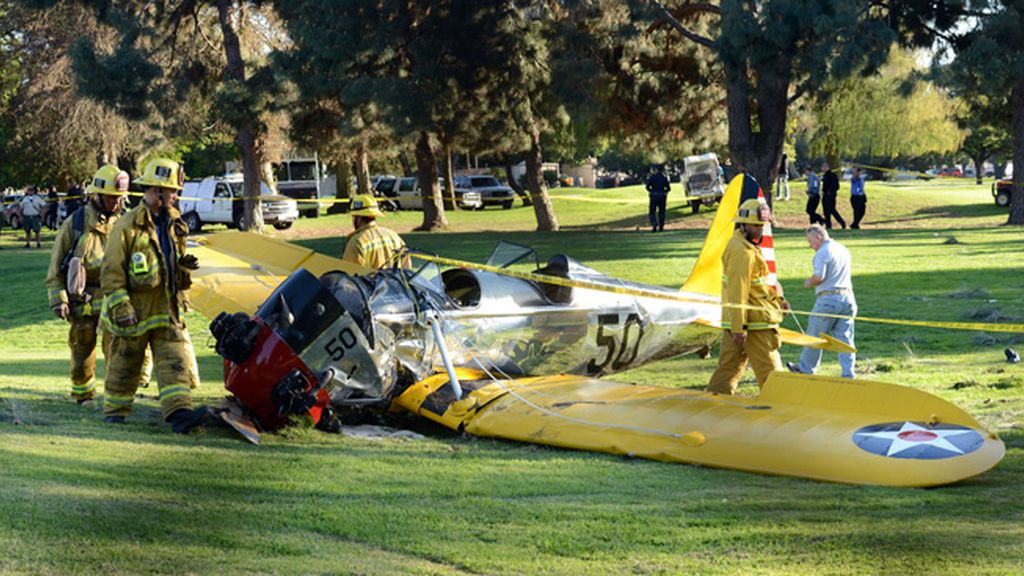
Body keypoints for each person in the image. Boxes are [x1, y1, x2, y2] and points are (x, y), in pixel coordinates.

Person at [100, 157, 207, 433]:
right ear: (156, 191)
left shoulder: (175, 223)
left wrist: (183, 269)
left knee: (174, 362)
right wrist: (122, 308)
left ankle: (180, 414)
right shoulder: (127, 227)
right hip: (135, 311)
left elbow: (172, 265)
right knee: (126, 363)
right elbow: (111, 273)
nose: (175, 196)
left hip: (166, 308)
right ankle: (115, 412)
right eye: (171, 191)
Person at [46, 165, 131, 404]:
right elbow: (55, 267)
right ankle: (83, 396)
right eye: (111, 197)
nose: (116, 202)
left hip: (114, 298)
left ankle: (115, 398)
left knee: (116, 348)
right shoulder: (76, 223)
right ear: (97, 195)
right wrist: (59, 300)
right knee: (82, 346)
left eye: (119, 198)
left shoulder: (126, 222)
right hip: (82, 299)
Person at [707, 198, 788, 395]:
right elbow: (738, 290)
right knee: (771, 374)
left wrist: (778, 301)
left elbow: (757, 286)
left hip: (741, 322)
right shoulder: (742, 252)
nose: (760, 230)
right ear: (742, 225)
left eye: (762, 225)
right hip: (754, 325)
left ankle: (715, 404)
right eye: (756, 226)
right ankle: (778, 406)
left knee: (728, 369)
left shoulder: (744, 246)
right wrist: (739, 328)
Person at [789, 224, 857, 378]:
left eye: (810, 241)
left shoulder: (822, 253)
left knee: (814, 335)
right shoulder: (843, 249)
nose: (810, 246)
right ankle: (848, 372)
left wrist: (809, 282)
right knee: (845, 338)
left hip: (828, 299)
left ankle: (806, 369)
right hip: (848, 298)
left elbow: (819, 277)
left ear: (818, 237)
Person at [342, 194, 410, 270]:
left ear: (358, 219)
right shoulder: (394, 237)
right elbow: (407, 270)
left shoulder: (356, 243)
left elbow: (350, 273)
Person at [820, 162, 846, 230]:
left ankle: (842, 222)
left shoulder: (831, 176)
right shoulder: (825, 175)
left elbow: (835, 186)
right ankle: (828, 225)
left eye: (823, 167)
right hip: (825, 195)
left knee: (832, 210)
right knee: (826, 211)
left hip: (830, 196)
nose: (822, 168)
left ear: (827, 167)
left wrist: (830, 192)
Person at [645, 165, 670, 232]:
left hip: (653, 195)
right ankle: (661, 226)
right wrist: (664, 192)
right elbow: (668, 188)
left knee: (652, 211)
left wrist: (651, 191)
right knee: (662, 212)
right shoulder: (664, 177)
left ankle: (654, 224)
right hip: (662, 196)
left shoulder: (652, 177)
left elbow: (647, 187)